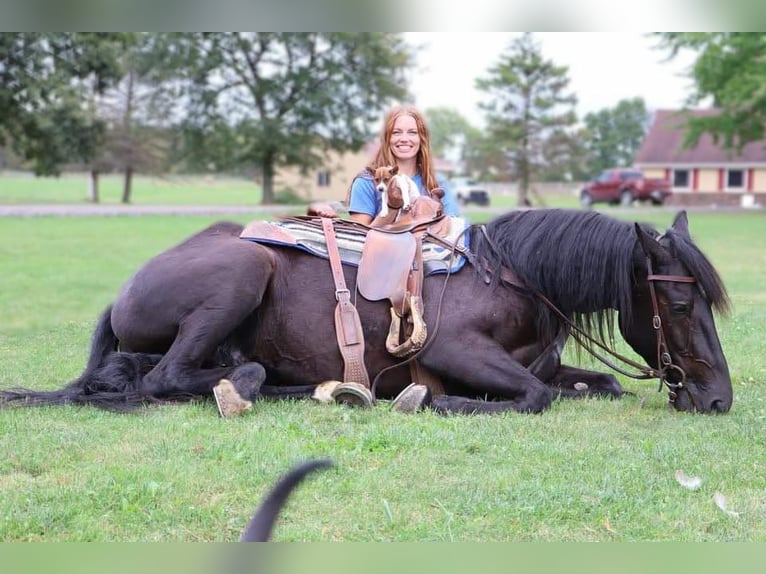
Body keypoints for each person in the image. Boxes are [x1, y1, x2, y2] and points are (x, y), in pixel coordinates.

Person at [308, 105, 460, 223]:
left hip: (431, 258)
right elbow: (360, 237)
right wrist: (393, 207)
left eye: (412, 132)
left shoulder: (438, 182)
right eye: (396, 132)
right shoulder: (367, 180)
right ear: (387, 138)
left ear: (422, 139)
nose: (404, 139)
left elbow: (452, 228)